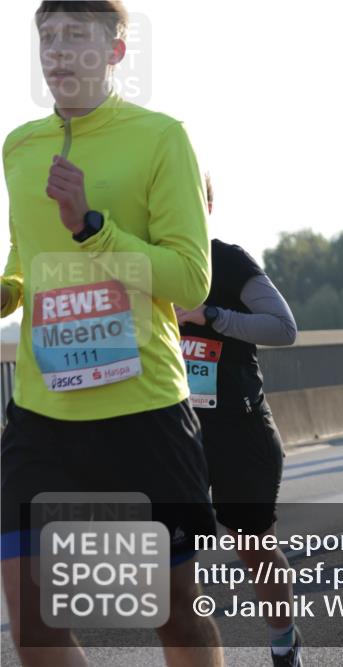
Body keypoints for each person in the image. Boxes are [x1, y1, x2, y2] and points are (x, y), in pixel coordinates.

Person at [1, 3, 223, 665]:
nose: (57, 51)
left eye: (76, 35)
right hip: (41, 416)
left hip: (142, 410)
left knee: (176, 621)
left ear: (117, 51)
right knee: (33, 629)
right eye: (47, 36)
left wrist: (93, 227)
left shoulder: (161, 137)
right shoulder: (19, 145)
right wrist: (6, 290)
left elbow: (190, 279)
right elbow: (26, 263)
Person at [174, 178, 303, 666]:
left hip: (238, 427)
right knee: (174, 563)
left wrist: (210, 315)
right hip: (176, 432)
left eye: (191, 199)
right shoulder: (146, 265)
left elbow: (283, 328)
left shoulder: (227, 260)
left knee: (252, 547)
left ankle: (283, 641)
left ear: (208, 204)